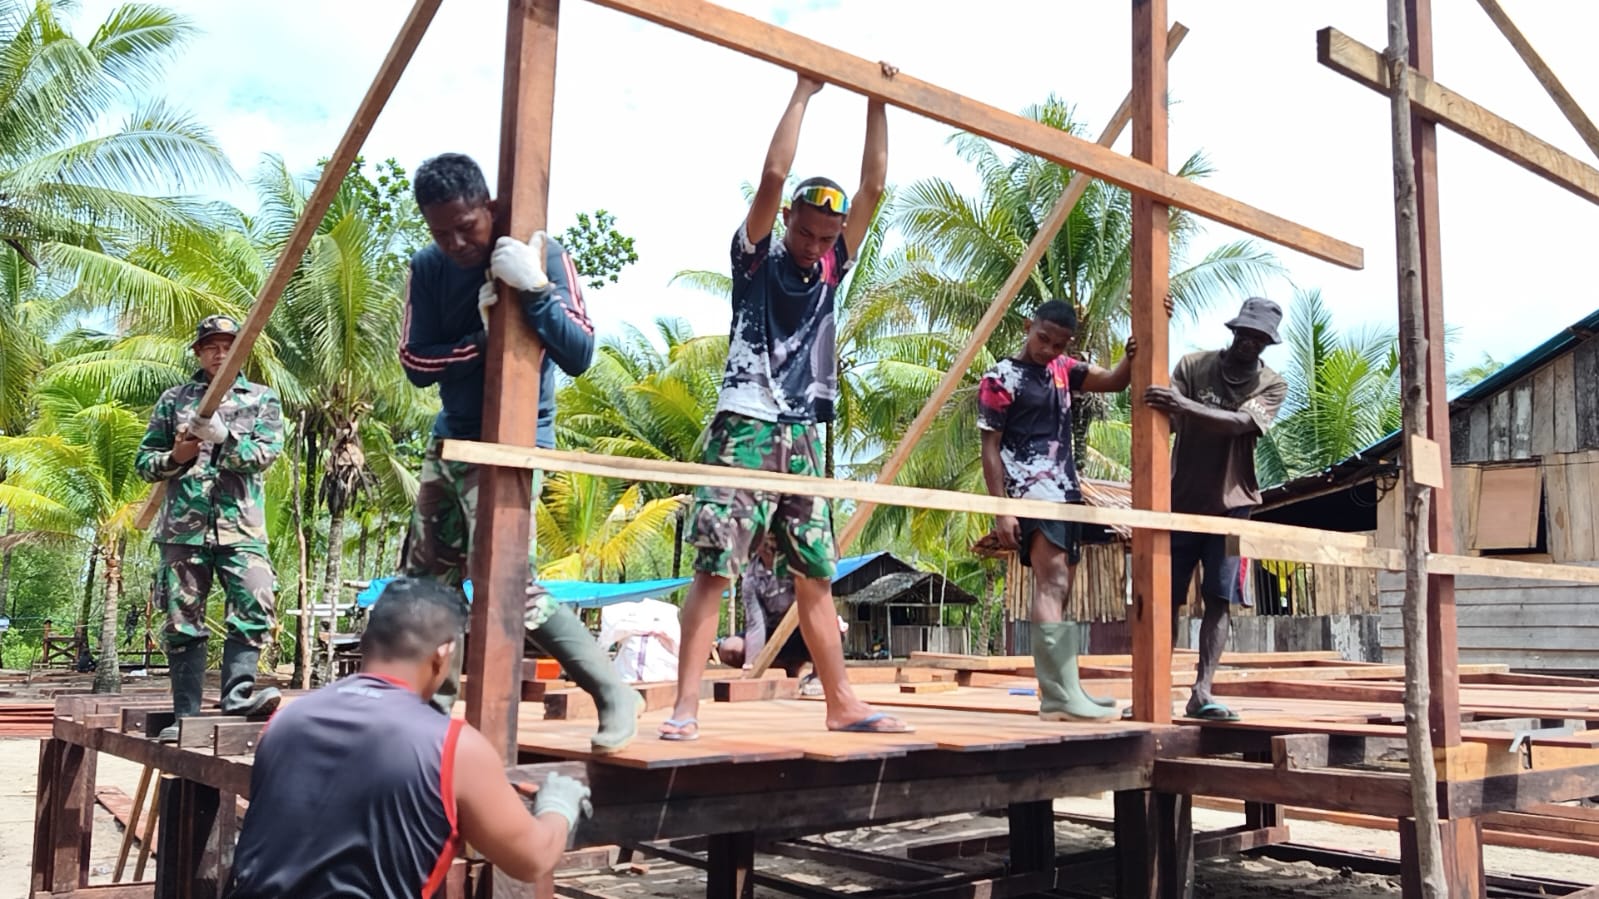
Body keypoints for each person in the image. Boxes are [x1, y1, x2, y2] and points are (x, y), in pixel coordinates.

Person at [661, 71, 911, 741]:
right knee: (715, 565)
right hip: (745, 420)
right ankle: (685, 705)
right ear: (789, 222)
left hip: (801, 432)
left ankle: (841, 701)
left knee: (816, 572)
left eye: (827, 237)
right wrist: (804, 90)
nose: (814, 245)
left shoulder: (830, 270)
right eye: (806, 231)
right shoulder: (756, 260)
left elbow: (873, 188)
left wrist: (878, 102)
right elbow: (773, 175)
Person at [399, 152, 639, 754]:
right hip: (452, 438)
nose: (456, 243)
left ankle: (613, 691)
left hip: (517, 440)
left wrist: (534, 292)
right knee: (427, 585)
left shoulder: (543, 253)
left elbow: (580, 352)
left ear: (489, 207)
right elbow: (416, 362)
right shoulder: (427, 267)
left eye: (466, 227)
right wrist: (478, 342)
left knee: (508, 582)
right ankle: (428, 724)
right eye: (442, 232)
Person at [225, 577, 592, 898]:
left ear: (365, 643)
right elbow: (531, 859)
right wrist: (558, 805)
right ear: (444, 654)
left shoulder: (285, 722)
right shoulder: (454, 747)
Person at [978, 301, 1136, 721]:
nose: (1048, 349)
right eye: (1043, 338)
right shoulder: (1000, 377)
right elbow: (990, 448)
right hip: (1030, 492)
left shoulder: (1064, 369)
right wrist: (1002, 509)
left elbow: (1116, 381)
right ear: (1027, 327)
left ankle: (1067, 689)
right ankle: (1056, 694)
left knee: (1063, 587)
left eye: (1059, 344)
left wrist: (1134, 350)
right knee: (1052, 583)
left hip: (1066, 493)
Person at [135, 314, 284, 742]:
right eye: (211, 347)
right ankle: (186, 715)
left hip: (242, 527)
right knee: (181, 620)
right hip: (184, 529)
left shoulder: (262, 400)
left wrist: (224, 438)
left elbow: (265, 455)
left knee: (256, 600)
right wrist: (176, 457)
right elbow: (145, 463)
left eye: (228, 346)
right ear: (199, 353)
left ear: (241, 352)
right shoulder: (174, 400)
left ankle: (237, 697)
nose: (220, 354)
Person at [1144, 296, 1287, 721]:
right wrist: (1154, 328)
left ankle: (1201, 691)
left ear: (1268, 343)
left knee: (1218, 599)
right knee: (1164, 599)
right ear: (1234, 331)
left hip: (1232, 506)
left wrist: (1185, 406)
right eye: (1246, 334)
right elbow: (1163, 413)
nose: (1250, 342)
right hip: (1180, 502)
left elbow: (1241, 424)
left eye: (1259, 338)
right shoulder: (1194, 366)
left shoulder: (1271, 384)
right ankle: (1153, 691)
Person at [713, 540, 836, 693]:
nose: (768, 546)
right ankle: (788, 665)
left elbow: (817, 605)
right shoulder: (751, 578)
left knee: (832, 627)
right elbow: (756, 625)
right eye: (763, 542)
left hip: (803, 632)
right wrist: (750, 666)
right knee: (730, 648)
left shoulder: (799, 562)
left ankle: (819, 676)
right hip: (771, 634)